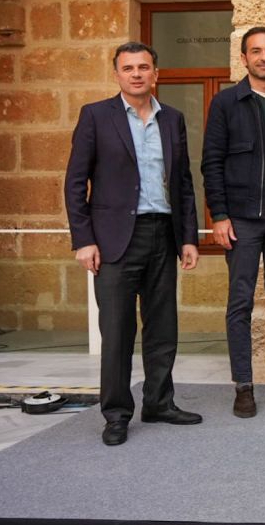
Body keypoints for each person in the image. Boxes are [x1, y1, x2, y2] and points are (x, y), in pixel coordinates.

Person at [64, 42, 202, 446]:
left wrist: (188, 238)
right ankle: (116, 414)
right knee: (117, 333)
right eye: (128, 68)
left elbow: (183, 183)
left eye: (144, 67)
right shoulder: (95, 116)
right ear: (117, 75)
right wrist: (84, 240)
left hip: (163, 234)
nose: (137, 74)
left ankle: (159, 402)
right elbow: (75, 183)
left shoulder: (172, 118)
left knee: (163, 329)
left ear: (155, 73)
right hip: (113, 241)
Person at [201, 26, 265, 418]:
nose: (264, 57)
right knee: (240, 303)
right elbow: (211, 162)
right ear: (244, 58)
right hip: (242, 220)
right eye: (257, 51)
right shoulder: (226, 102)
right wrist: (219, 215)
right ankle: (243, 386)